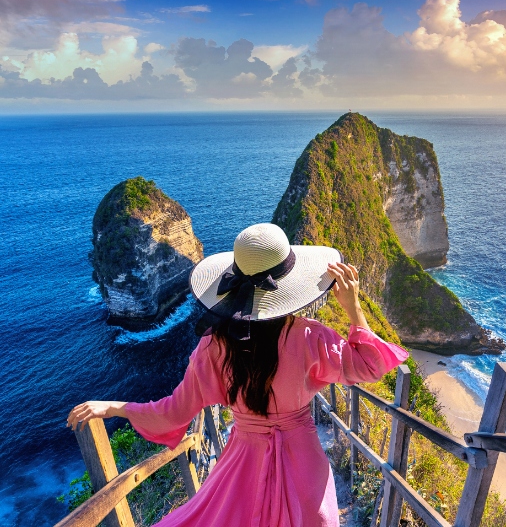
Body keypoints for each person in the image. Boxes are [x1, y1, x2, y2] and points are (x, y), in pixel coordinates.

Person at [67, 223, 408, 526]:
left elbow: (172, 411)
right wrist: (354, 307)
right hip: (304, 467)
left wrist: (116, 407)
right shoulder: (310, 337)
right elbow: (369, 364)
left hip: (243, 466)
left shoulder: (213, 347)